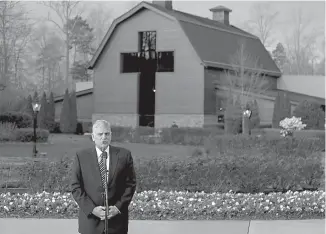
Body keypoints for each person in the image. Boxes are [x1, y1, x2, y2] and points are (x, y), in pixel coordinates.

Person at [71, 120, 137, 234]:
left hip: (116, 222)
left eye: (107, 134)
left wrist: (117, 208)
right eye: (100, 134)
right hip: (90, 223)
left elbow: (130, 184)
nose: (104, 137)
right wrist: (92, 209)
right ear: (93, 137)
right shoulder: (81, 157)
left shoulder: (124, 155)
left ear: (111, 135)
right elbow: (75, 186)